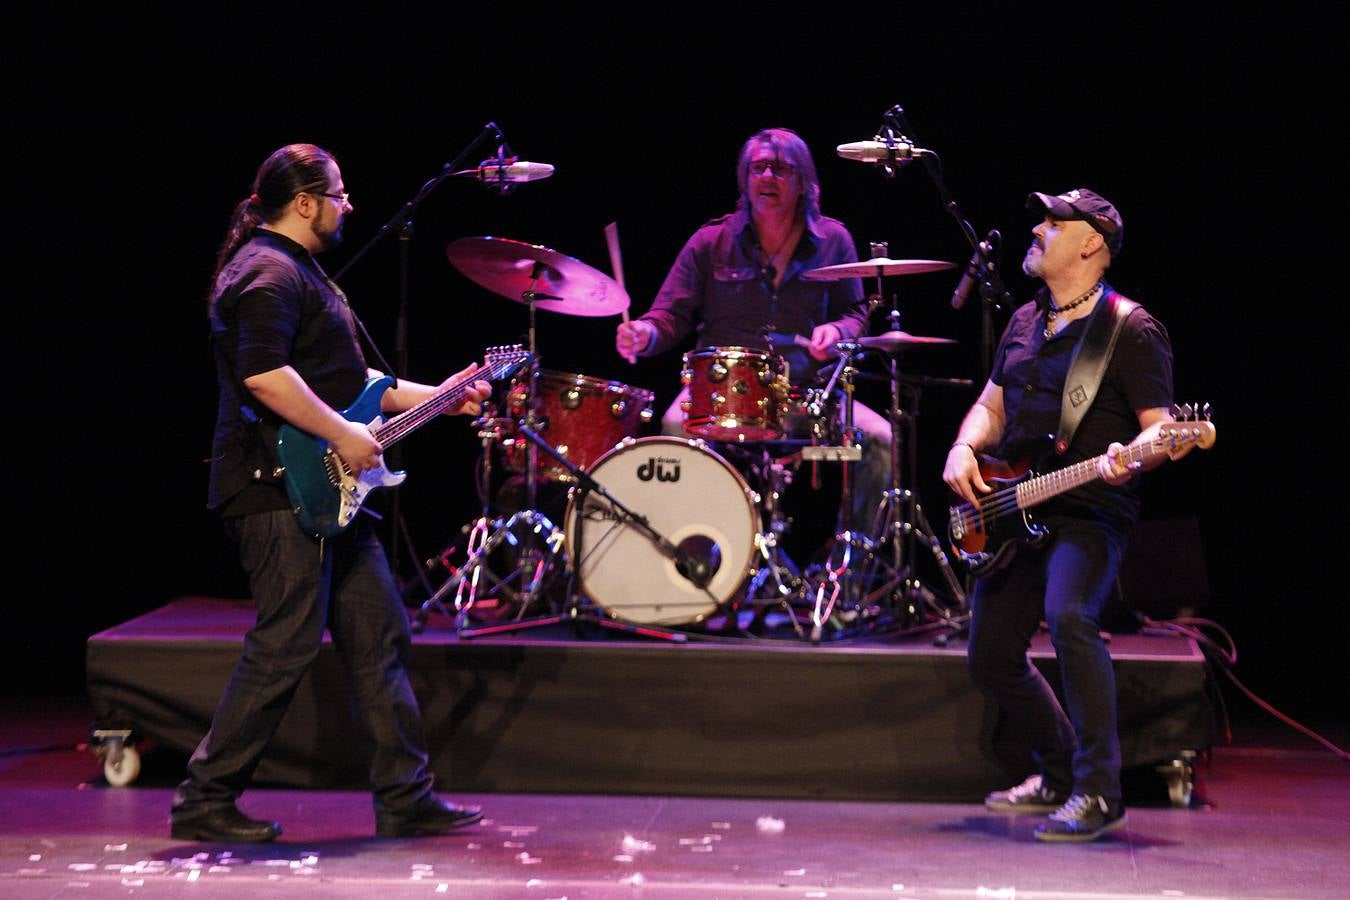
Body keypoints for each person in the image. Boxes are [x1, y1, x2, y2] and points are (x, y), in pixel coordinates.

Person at [173, 143, 491, 842]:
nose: (350, 206)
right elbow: (264, 376)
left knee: (378, 631)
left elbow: (352, 386)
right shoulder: (266, 272)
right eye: (340, 194)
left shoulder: (298, 271)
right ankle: (205, 798)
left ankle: (404, 796)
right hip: (276, 488)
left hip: (325, 492)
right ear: (305, 202)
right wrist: (343, 435)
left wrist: (442, 396)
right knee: (285, 643)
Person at [942, 189, 1175, 842]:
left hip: (1089, 509)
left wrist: (1133, 457)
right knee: (990, 657)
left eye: (1054, 222)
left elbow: (1161, 431)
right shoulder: (1024, 319)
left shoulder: (1130, 329)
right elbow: (990, 407)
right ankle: (1057, 772)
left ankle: (1100, 792)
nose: (1038, 230)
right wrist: (964, 447)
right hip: (1015, 506)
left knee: (1071, 617)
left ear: (1091, 243)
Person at [615, 127, 890, 533]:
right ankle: (696, 551)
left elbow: (856, 315)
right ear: (744, 179)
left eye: (780, 169)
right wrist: (644, 334)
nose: (767, 177)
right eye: (758, 168)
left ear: (803, 182)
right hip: (721, 392)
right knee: (674, 428)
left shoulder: (834, 240)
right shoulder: (711, 241)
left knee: (882, 439)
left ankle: (854, 566)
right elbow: (669, 316)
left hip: (805, 396)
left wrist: (836, 332)